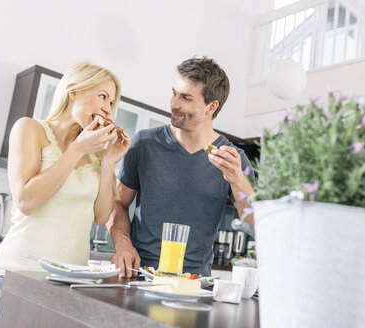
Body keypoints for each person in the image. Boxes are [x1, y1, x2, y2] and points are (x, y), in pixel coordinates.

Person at [0, 62, 130, 328]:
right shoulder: (30, 129)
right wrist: (76, 151)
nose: (108, 108)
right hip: (17, 276)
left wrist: (108, 163)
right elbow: (26, 201)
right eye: (102, 96)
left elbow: (101, 217)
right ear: (73, 90)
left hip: (70, 284)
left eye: (112, 102)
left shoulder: (96, 152)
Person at [107, 56, 255, 278]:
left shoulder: (234, 159)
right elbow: (118, 203)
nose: (174, 104)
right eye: (174, 93)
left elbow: (254, 223)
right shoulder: (144, 144)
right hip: (138, 273)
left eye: (185, 97)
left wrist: (238, 180)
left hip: (194, 283)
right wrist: (123, 244)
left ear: (211, 107)